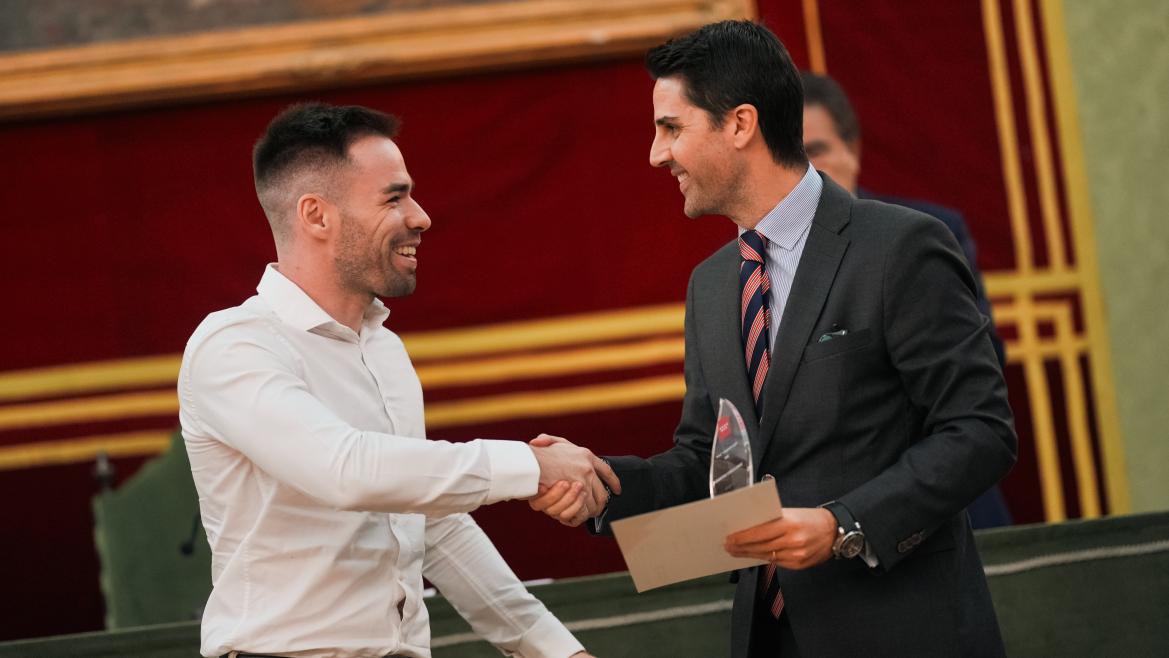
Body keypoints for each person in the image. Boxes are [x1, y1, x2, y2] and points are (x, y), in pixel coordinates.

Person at [530, 21, 1016, 657]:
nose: (656, 154)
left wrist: (845, 526)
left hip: (904, 633)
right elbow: (709, 460)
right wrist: (604, 485)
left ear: (739, 125)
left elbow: (980, 431)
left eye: (671, 127)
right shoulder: (709, 286)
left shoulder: (900, 247)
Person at [178, 103, 615, 658]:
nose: (421, 216)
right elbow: (346, 470)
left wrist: (553, 649)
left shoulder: (384, 350)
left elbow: (432, 524)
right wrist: (531, 466)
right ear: (316, 216)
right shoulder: (234, 345)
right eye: (393, 197)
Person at [801, 70, 1013, 527]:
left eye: (817, 151)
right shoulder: (762, 268)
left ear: (852, 149)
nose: (809, 173)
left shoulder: (927, 233)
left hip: (955, 509)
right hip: (839, 530)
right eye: (793, 159)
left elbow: (983, 364)